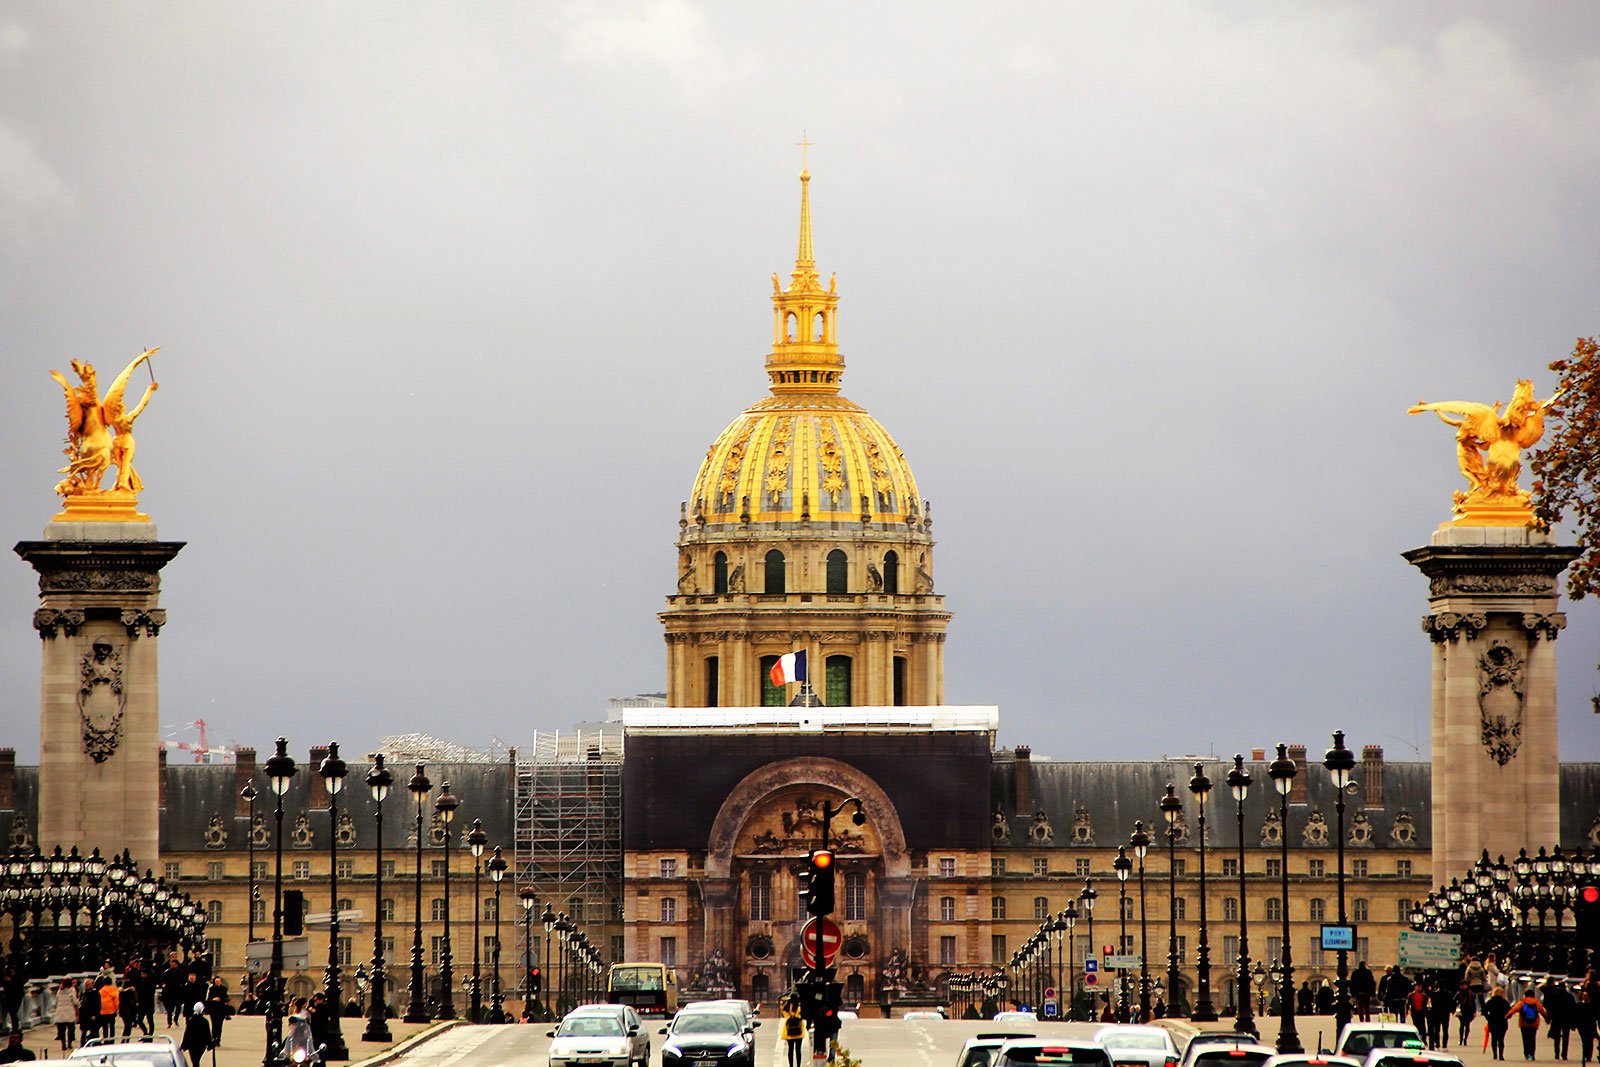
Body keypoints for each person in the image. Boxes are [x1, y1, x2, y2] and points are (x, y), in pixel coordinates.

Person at [1512, 987, 1550, 1061]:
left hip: (1523, 1023)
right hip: (1534, 1023)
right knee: (1532, 1039)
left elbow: (1514, 1009)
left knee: (1525, 1039)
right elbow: (1542, 1012)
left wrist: (1507, 1015)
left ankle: (1526, 1054)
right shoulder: (1536, 1003)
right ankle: (1532, 1054)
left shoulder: (1522, 1002)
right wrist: (1547, 1019)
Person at [1546, 980, 1575, 1061]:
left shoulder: (1554, 996)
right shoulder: (1569, 997)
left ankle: (1557, 1053)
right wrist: (1573, 1022)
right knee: (1566, 1037)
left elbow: (1550, 1008)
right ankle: (1564, 1054)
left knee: (1557, 1037)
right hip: (1566, 1019)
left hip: (1556, 1019)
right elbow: (1573, 1009)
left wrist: (1549, 1018)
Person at [1487, 986, 1513, 1061]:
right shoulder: (1504, 1002)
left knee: (1494, 1038)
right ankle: (1501, 1055)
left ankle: (1495, 1054)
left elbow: (1484, 1010)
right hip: (1502, 1022)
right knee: (1501, 1039)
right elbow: (1510, 1011)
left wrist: (1488, 1017)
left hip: (1492, 1021)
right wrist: (1507, 1017)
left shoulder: (1490, 1002)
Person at [54, 977, 79, 1051]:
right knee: (71, 1029)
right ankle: (69, 1044)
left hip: (60, 1011)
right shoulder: (72, 990)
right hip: (69, 1011)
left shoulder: (59, 991)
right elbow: (74, 1001)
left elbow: (56, 1001)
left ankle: (63, 1045)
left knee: (62, 1030)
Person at [205, 978, 230, 1048]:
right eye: (216, 981)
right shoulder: (211, 989)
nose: (217, 982)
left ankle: (218, 1039)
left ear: (220, 982)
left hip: (221, 1009)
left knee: (219, 1025)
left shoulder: (223, 988)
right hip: (213, 1009)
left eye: (218, 981)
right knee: (214, 1024)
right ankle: (214, 1037)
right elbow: (208, 998)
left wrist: (220, 999)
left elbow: (226, 997)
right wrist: (213, 999)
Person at [781, 995, 804, 1067]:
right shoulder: (800, 1006)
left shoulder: (788, 1005)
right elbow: (802, 1015)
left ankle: (791, 1065)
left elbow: (785, 1012)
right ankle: (798, 1065)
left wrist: (789, 1018)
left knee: (790, 1050)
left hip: (789, 1031)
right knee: (798, 1050)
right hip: (799, 1031)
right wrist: (798, 1018)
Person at [78, 978, 99, 1045]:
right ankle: (85, 1042)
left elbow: (97, 1004)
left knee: (91, 1030)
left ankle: (90, 1041)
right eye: (86, 984)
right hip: (86, 1014)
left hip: (88, 1014)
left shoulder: (93, 993)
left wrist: (95, 1014)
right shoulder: (84, 993)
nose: (87, 985)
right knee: (86, 1030)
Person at [1458, 980, 1478, 1046]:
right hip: (1462, 1011)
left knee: (1467, 1025)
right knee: (1461, 1026)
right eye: (1463, 985)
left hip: (1469, 1011)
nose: (1464, 987)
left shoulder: (1470, 993)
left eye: (1465, 985)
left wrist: (1474, 1011)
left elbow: (1473, 1003)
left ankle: (1465, 1039)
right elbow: (1454, 1000)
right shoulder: (1459, 993)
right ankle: (1461, 1039)